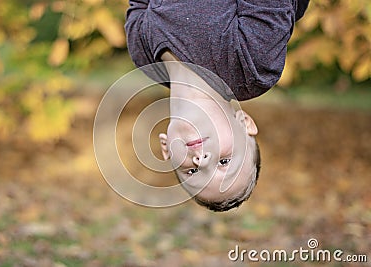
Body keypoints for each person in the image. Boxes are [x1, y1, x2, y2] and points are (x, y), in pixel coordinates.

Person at [124, 0, 309, 211]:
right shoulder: (251, 66)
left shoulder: (141, 52)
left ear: (166, 149)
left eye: (192, 172)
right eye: (224, 162)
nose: (201, 161)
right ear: (244, 123)